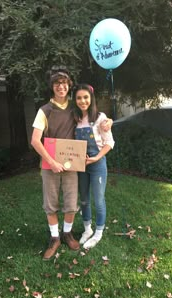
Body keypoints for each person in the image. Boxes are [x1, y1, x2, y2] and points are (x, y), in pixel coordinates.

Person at [31, 68, 112, 260]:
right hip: (50, 165)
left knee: (71, 203)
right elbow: (35, 140)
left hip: (71, 164)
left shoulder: (74, 108)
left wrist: (109, 121)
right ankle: (54, 238)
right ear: (52, 87)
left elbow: (94, 117)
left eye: (64, 83)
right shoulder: (44, 110)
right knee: (51, 204)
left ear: (69, 87)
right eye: (57, 84)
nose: (61, 87)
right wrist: (50, 162)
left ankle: (67, 233)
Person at [73, 83, 115, 249]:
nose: (82, 101)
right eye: (79, 98)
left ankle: (98, 231)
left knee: (98, 200)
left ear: (91, 98)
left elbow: (110, 142)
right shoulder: (74, 118)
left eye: (85, 97)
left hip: (97, 165)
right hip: (81, 165)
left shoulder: (100, 117)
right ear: (74, 100)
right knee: (83, 199)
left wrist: (96, 157)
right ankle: (87, 229)